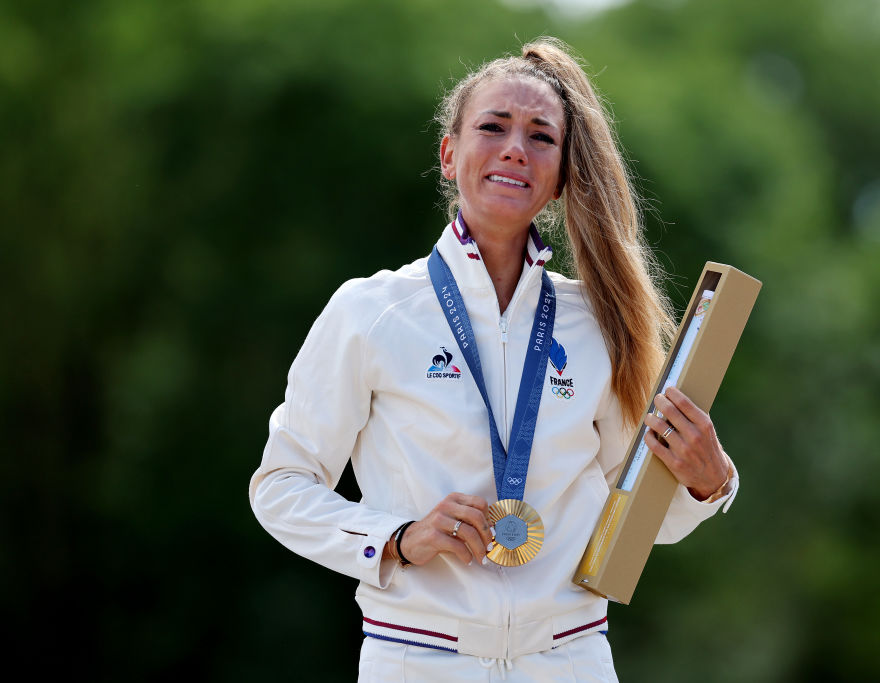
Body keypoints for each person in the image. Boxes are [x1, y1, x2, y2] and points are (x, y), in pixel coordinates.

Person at [249, 37, 737, 682]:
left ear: (562, 176)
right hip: (417, 660)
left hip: (569, 660)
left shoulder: (599, 322)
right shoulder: (371, 311)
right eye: (493, 127)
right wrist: (396, 538)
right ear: (450, 156)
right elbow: (280, 487)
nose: (515, 147)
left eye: (541, 136)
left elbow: (645, 523)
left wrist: (709, 481)